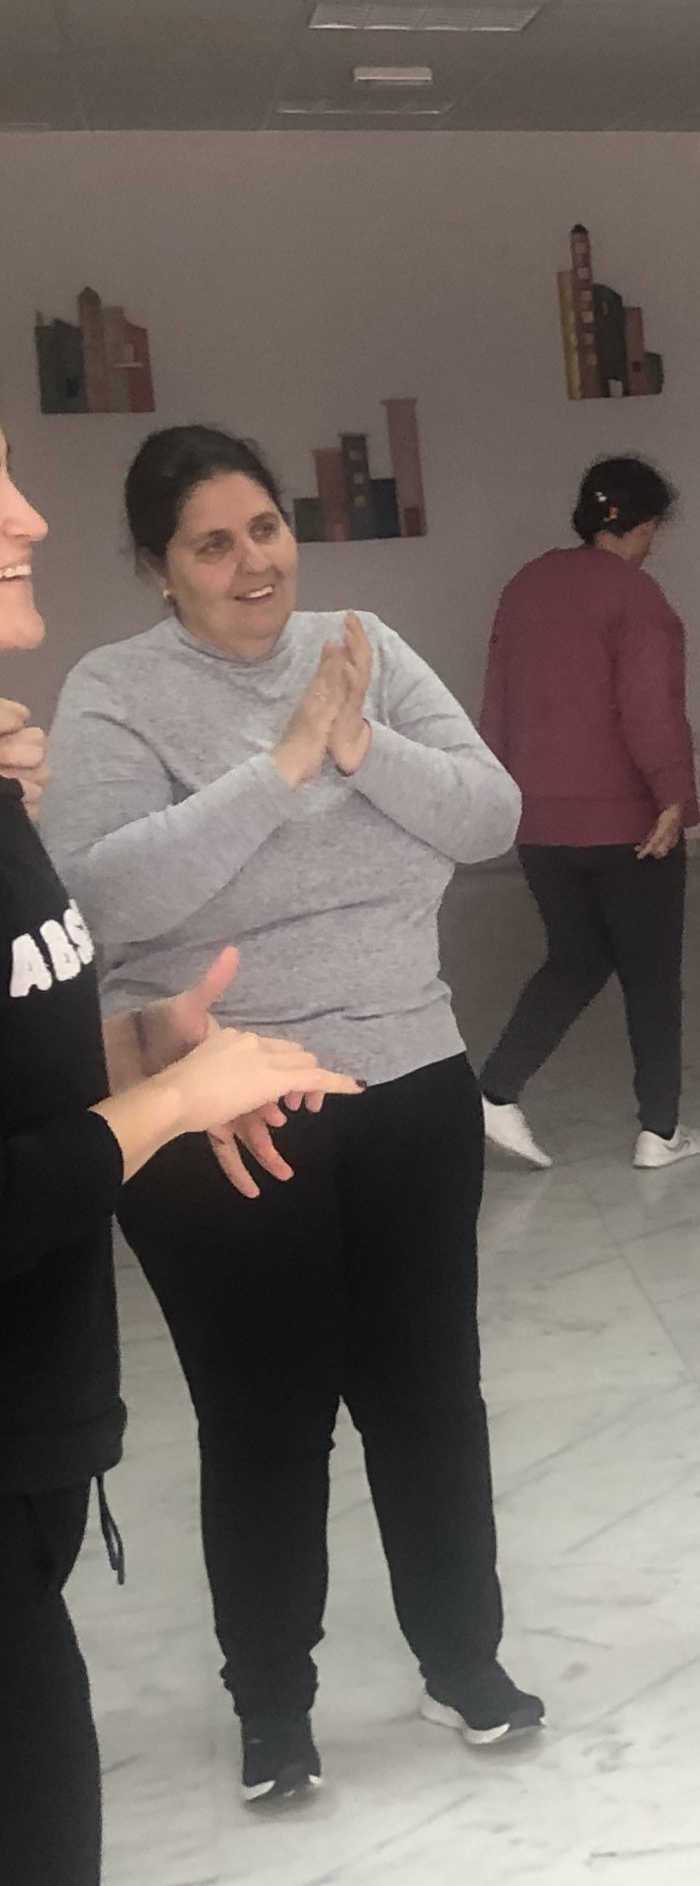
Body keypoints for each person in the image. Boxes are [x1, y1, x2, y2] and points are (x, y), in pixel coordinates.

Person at [44, 425, 538, 1809]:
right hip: (217, 1111)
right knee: (264, 1421)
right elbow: (107, 897)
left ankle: (464, 1660)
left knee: (430, 1397)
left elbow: (489, 815)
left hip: (409, 1079)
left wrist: (355, 741)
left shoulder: (360, 648)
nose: (253, 562)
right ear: (158, 569)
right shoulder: (113, 692)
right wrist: (279, 769)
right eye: (212, 543)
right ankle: (274, 1706)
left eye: (264, 528)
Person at [0, 414, 356, 1884]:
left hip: (36, 1421)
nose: (29, 517)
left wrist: (146, 1052)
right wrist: (155, 1111)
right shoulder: (102, 702)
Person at [478, 455, 700, 1170]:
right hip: (627, 821)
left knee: (575, 958)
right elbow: (649, 710)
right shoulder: (637, 598)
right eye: (655, 528)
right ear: (643, 525)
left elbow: (498, 701)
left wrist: (497, 796)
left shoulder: (525, 586)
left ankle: (495, 1092)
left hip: (538, 819)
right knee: (651, 975)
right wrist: (672, 796)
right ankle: (659, 1130)